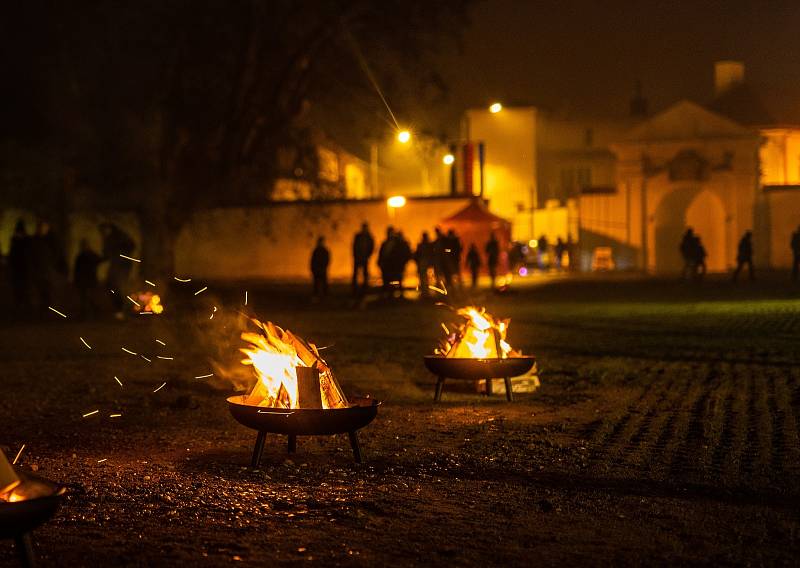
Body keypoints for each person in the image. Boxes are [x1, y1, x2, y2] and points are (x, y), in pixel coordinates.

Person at [100, 222, 136, 319]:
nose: (103, 233)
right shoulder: (108, 239)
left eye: (105, 230)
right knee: (111, 286)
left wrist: (121, 252)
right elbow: (105, 255)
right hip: (116, 264)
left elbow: (131, 244)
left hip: (122, 265)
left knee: (119, 286)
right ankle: (121, 310)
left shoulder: (119, 237)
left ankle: (126, 310)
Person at [28, 221, 65, 314]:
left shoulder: (51, 240)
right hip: (38, 270)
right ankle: (43, 311)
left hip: (48, 269)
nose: (41, 229)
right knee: (40, 291)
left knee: (49, 291)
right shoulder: (35, 241)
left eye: (43, 227)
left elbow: (58, 254)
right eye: (40, 227)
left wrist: (54, 265)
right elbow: (31, 255)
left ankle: (49, 311)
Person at [74, 239, 103, 319]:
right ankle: (86, 314)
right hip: (82, 280)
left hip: (90, 280)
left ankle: (94, 312)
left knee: (88, 297)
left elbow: (100, 260)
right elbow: (77, 269)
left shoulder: (91, 255)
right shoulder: (80, 256)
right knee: (84, 297)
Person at [8, 219, 31, 312]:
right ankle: (19, 307)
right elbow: (13, 255)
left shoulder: (24, 241)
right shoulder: (16, 241)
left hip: (23, 269)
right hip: (17, 269)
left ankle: (23, 307)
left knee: (23, 289)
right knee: (18, 289)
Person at [351, 222, 374, 295]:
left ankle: (365, 287)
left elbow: (371, 247)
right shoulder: (358, 236)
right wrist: (355, 255)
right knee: (355, 273)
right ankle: (354, 288)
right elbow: (354, 246)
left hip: (364, 257)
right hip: (358, 257)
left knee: (365, 273)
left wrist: (368, 255)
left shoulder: (369, 237)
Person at [377, 226, 397, 295]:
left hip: (393, 265)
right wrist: (379, 262)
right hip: (386, 265)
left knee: (392, 280)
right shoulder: (385, 243)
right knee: (386, 279)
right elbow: (381, 253)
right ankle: (387, 293)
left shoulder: (396, 243)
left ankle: (391, 294)